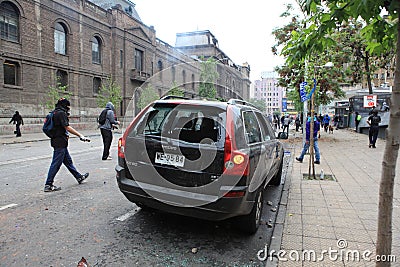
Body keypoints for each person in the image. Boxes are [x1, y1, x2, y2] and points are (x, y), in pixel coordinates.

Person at [44, 98, 90, 192]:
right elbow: (67, 127)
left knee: (68, 161)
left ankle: (79, 177)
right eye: (68, 106)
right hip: (60, 142)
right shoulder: (61, 113)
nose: (69, 108)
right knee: (56, 163)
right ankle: (48, 184)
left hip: (57, 140)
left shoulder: (54, 113)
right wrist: (80, 135)